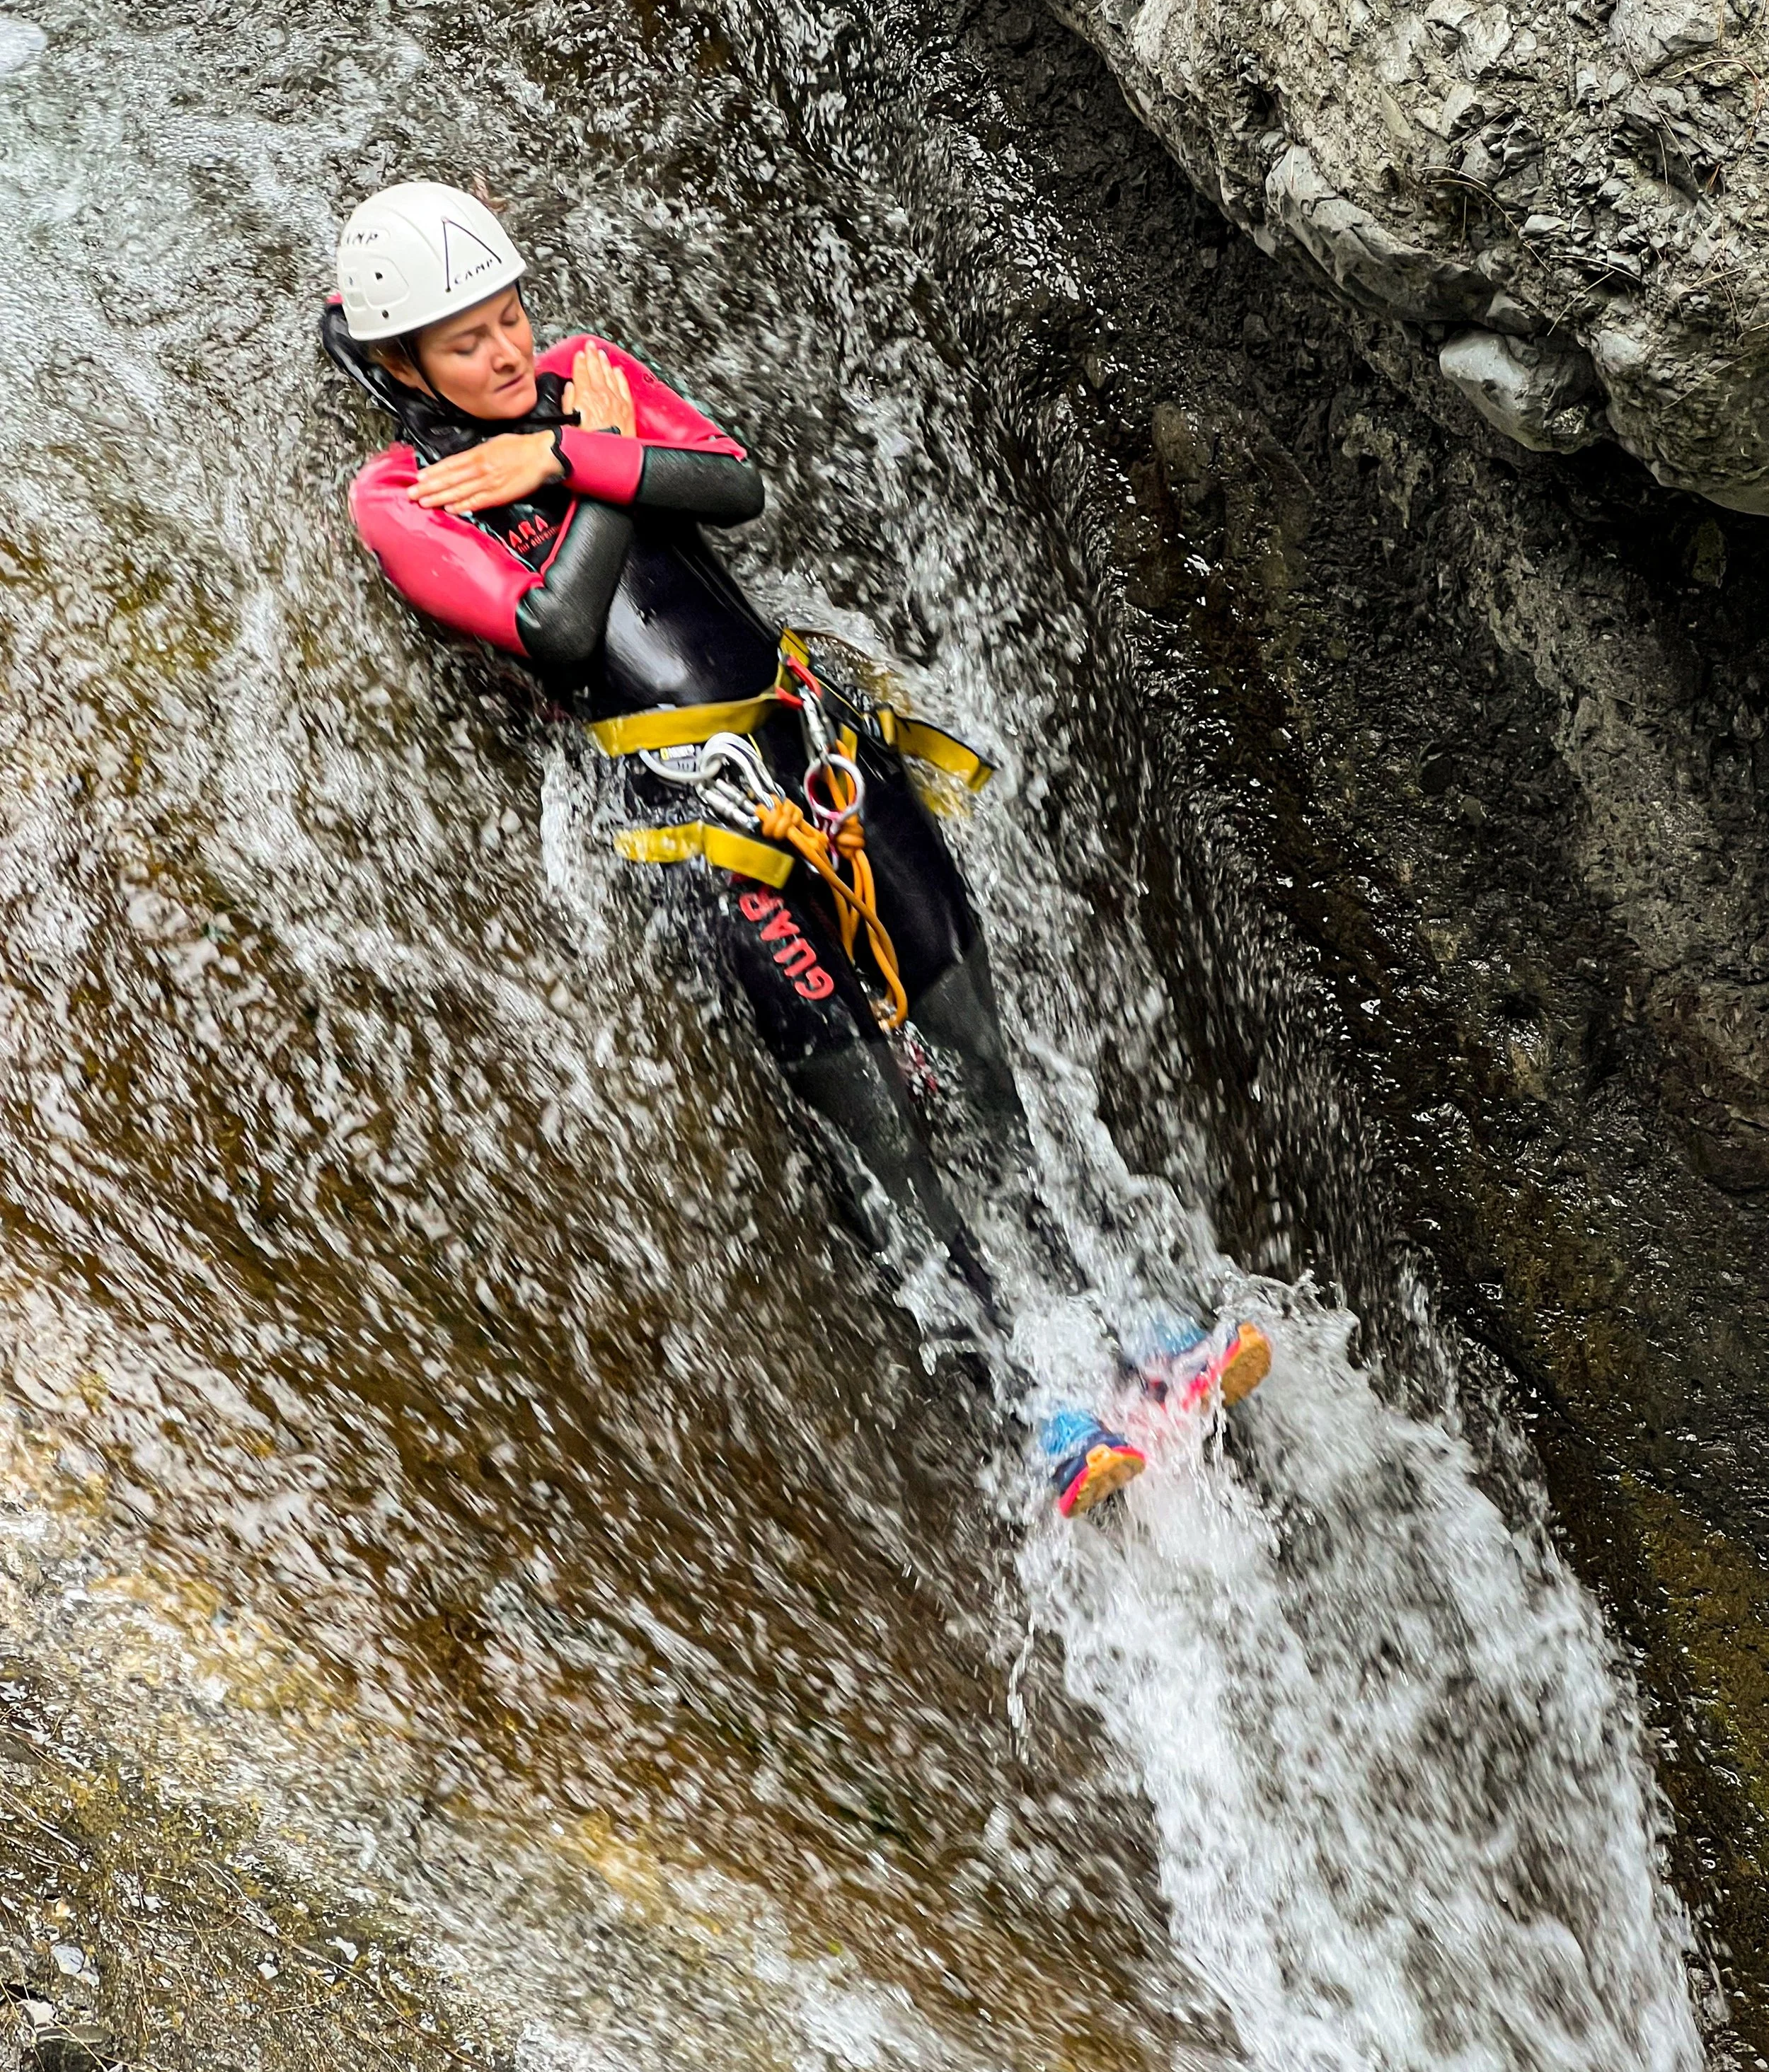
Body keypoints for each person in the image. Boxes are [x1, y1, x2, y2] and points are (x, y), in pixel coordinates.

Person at [322, 180, 1270, 1515]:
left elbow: (733, 484)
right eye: (467, 340)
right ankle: (1032, 1402)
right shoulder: (402, 495)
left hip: (817, 749)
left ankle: (1140, 1326)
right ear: (398, 364)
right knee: (878, 1121)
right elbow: (555, 633)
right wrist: (577, 466)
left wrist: (569, 449)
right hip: (698, 827)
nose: (507, 350)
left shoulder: (590, 378)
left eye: (511, 315)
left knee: (971, 1037)